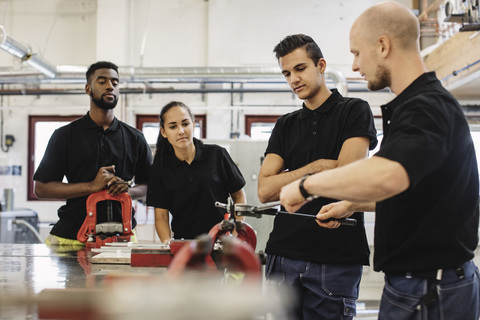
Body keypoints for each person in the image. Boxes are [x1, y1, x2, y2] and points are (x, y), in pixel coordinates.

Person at [279, 2, 480, 320]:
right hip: (421, 283)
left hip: (429, 287)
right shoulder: (417, 105)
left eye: (357, 53)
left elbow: (389, 176)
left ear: (383, 45)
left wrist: (305, 185)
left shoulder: (425, 106)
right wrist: (352, 206)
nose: (356, 66)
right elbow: (420, 193)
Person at [258, 34, 377, 320]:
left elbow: (348, 179)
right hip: (282, 253)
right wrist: (317, 168)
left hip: (334, 256)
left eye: (300, 69)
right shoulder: (285, 125)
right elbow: (264, 190)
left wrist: (287, 177)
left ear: (320, 65)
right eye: (287, 73)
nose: (293, 79)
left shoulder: (354, 111)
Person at [34, 61, 153, 247]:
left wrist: (127, 190)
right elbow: (41, 189)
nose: (110, 86)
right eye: (102, 81)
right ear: (88, 89)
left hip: (123, 238)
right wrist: (91, 186)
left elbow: (150, 185)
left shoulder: (135, 138)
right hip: (71, 236)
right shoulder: (65, 136)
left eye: (115, 82)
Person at [146, 101, 246, 243]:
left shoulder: (217, 155)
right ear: (163, 132)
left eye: (185, 124)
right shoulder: (159, 168)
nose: (181, 131)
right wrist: (168, 245)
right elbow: (161, 216)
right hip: (183, 245)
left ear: (193, 124)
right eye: (173, 127)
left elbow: (239, 196)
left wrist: (237, 231)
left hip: (222, 242)